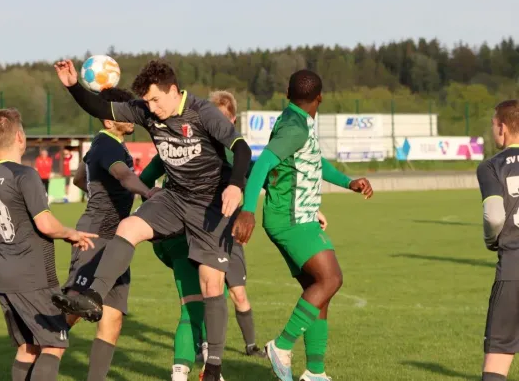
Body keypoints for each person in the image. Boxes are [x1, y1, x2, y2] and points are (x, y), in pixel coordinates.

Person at [51, 59, 251, 381]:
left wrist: (235, 185)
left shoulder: (202, 113)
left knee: (211, 284)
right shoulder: (146, 110)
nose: (151, 108)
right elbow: (101, 107)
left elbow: (241, 148)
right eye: (147, 102)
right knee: (128, 226)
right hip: (175, 198)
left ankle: (213, 365)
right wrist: (73, 86)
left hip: (210, 207)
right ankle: (92, 297)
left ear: (174, 91)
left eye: (156, 100)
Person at [232, 70, 373, 381]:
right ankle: (281, 347)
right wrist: (247, 211)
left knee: (318, 290)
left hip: (298, 217)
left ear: (287, 93)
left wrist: (348, 182)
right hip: (291, 219)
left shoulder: (294, 120)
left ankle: (316, 372)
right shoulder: (295, 127)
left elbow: (314, 162)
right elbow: (263, 165)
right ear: (320, 97)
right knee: (331, 279)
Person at [138, 90, 263, 380]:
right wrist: (149, 195)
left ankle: (225, 354)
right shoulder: (190, 141)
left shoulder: (234, 151)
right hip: (192, 233)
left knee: (220, 297)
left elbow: (263, 174)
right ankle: (204, 368)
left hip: (218, 234)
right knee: (202, 300)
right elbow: (145, 179)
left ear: (231, 120)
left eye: (220, 118)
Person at [0, 108, 97, 381]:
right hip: (32, 275)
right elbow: (45, 224)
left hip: (4, 272)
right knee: (54, 344)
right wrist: (71, 233)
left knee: (28, 347)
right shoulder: (25, 174)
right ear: (20, 137)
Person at [63, 87, 161, 381]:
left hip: (116, 239)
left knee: (113, 316)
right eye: (124, 111)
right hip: (94, 237)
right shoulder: (108, 144)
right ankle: (31, 354)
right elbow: (123, 175)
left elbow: (80, 178)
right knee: (75, 308)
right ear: (108, 120)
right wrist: (147, 191)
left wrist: (101, 194)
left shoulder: (104, 143)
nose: (130, 116)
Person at [476, 99, 519, 381]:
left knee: (498, 356)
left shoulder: (491, 166)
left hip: (514, 268)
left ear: (502, 127)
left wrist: (491, 240)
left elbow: (493, 216)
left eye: (493, 125)